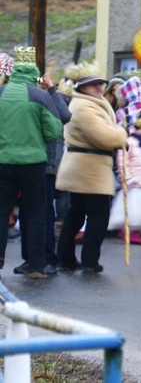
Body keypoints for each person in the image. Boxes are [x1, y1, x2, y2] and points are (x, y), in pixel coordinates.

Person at [56, 61, 128, 273]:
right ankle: (88, 261)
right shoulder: (84, 107)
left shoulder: (87, 103)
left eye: (99, 83)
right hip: (88, 169)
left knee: (76, 215)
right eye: (93, 84)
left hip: (87, 168)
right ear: (80, 87)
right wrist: (122, 133)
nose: (99, 87)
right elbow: (104, 137)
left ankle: (67, 259)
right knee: (97, 217)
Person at [0, 46, 63, 279]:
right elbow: (55, 129)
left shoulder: (1, 92)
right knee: (36, 213)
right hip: (33, 163)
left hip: (3, 161)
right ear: (33, 72)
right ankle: (36, 265)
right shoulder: (41, 96)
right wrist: (36, 137)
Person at [17, 72, 71, 276]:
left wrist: (51, 89)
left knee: (44, 213)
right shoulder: (28, 98)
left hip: (46, 164)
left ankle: (48, 258)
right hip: (28, 163)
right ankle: (30, 259)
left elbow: (65, 116)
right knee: (27, 213)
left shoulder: (49, 97)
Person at [108, 110, 141, 245]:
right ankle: (128, 231)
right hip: (134, 181)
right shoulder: (129, 141)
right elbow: (122, 160)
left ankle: (137, 230)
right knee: (133, 208)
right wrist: (126, 177)